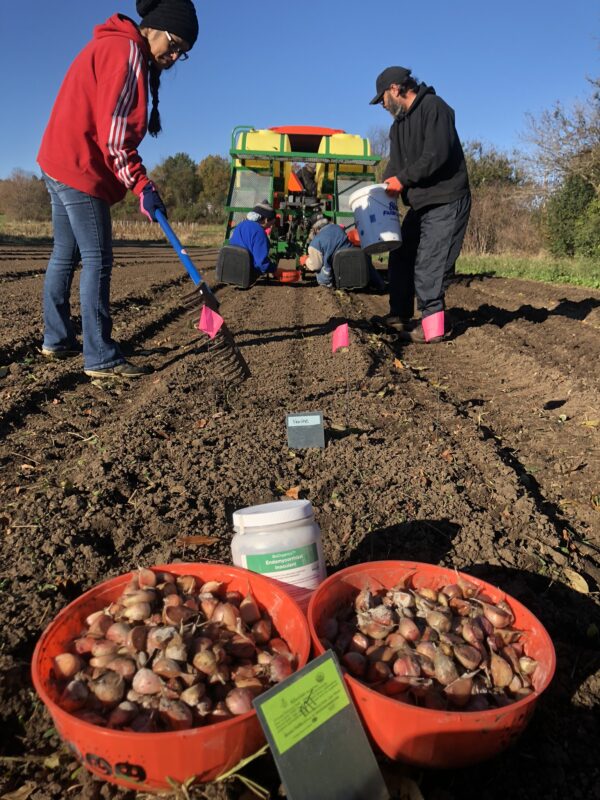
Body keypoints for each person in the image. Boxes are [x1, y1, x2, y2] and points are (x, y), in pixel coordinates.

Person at [38, 0, 199, 378]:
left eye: (183, 53)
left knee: (65, 253)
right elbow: (115, 138)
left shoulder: (115, 44)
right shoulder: (126, 51)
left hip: (57, 161)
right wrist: (142, 184)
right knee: (97, 257)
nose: (174, 56)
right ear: (153, 28)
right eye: (174, 44)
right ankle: (101, 357)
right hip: (80, 169)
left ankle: (56, 339)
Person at [370, 66, 471, 343]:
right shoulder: (398, 127)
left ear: (394, 89)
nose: (382, 105)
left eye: (381, 99)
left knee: (429, 263)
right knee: (400, 254)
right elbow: (396, 166)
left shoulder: (434, 108)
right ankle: (400, 314)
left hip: (447, 199)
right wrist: (383, 187)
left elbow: (435, 155)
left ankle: (433, 326)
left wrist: (402, 180)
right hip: (422, 204)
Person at [301, 216, 386, 291]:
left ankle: (328, 284)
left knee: (321, 269)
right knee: (366, 259)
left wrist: (306, 261)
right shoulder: (337, 228)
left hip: (336, 277)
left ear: (315, 229)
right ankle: (379, 284)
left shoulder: (315, 243)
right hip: (354, 263)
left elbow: (316, 265)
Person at [228, 202, 276, 277]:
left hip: (230, 269)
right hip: (244, 274)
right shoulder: (259, 232)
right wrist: (274, 269)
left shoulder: (241, 225)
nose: (271, 227)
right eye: (271, 224)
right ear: (266, 220)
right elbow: (261, 263)